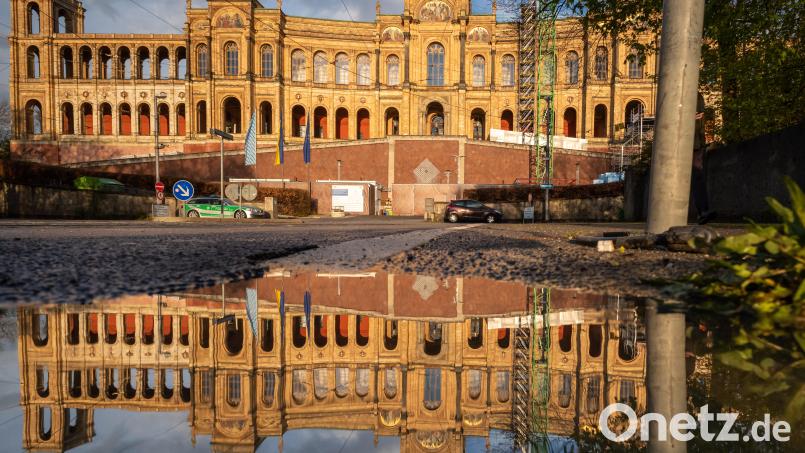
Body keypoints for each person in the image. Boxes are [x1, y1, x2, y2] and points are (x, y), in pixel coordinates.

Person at [691, 94, 715, 224]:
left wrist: (701, 143)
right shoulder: (679, 91)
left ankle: (703, 211)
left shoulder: (698, 96)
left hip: (696, 143)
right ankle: (702, 212)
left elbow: (700, 120)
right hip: (682, 141)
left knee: (697, 175)